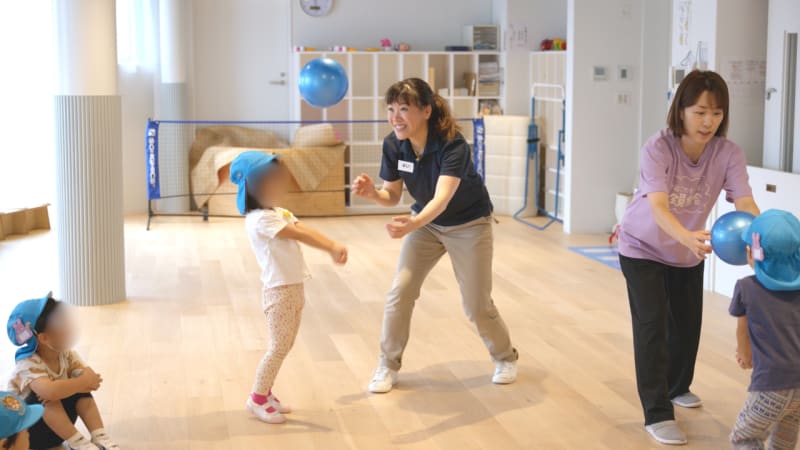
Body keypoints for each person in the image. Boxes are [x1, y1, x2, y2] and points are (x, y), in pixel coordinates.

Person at [617, 70, 761, 445]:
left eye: (716, 113)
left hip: (686, 251)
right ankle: (657, 412)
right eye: (699, 112)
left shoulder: (728, 153)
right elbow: (659, 207)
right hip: (642, 247)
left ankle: (678, 386)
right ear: (680, 110)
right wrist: (686, 236)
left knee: (686, 327)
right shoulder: (658, 148)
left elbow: (744, 202)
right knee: (651, 325)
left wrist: (759, 236)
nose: (708, 121)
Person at [351, 77, 518, 394]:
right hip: (426, 225)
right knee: (400, 292)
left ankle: (506, 357)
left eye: (403, 109)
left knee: (476, 305)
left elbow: (442, 199)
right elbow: (392, 195)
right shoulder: (394, 144)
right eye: (390, 109)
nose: (395, 117)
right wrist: (373, 193)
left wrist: (411, 225)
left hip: (469, 224)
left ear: (426, 111)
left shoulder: (453, 144)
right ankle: (387, 365)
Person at [229, 151, 348, 424]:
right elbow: (299, 233)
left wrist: (330, 244)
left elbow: (300, 225)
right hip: (279, 291)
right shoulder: (261, 219)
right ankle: (257, 398)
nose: (280, 186)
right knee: (278, 347)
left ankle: (266, 392)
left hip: (293, 287)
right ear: (255, 186)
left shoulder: (277, 212)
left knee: (286, 344)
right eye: (272, 181)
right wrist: (330, 246)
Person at [6, 293, 119, 450]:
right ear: (44, 338)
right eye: (61, 323)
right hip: (29, 434)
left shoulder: (65, 353)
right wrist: (82, 382)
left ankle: (100, 436)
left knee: (79, 391)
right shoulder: (27, 363)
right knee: (46, 397)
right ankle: (79, 443)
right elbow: (50, 392)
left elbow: (89, 378)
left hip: (58, 428)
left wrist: (82, 383)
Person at [728, 209, 800, 450]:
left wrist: (745, 355)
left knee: (744, 437)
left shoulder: (746, 288)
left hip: (772, 383)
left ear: (751, 252)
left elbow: (743, 329)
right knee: (783, 443)